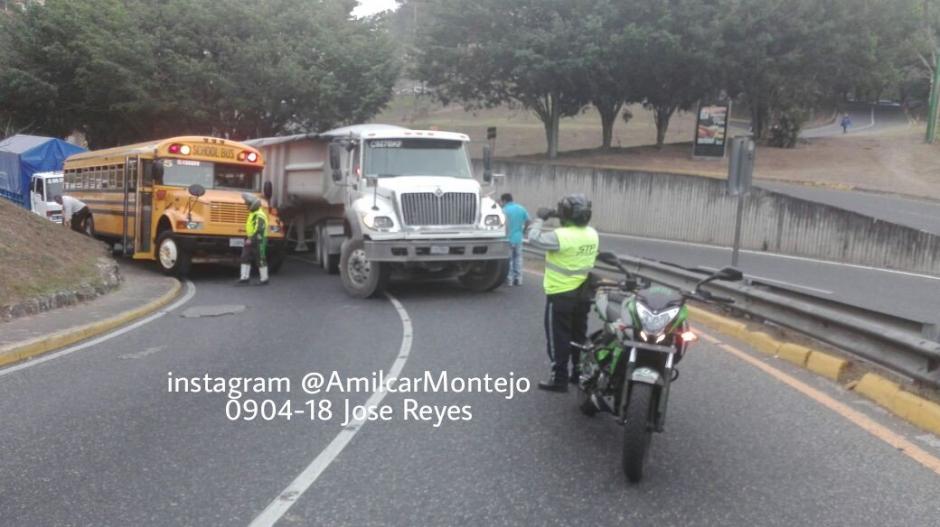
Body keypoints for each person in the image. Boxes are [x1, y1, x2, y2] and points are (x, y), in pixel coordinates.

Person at [528, 193, 599, 392]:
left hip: (560, 294)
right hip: (583, 294)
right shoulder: (592, 234)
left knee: (558, 337)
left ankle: (559, 378)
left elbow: (533, 239)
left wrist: (541, 218)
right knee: (579, 335)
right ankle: (578, 373)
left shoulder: (560, 236)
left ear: (566, 214)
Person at [238, 193, 270, 285]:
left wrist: (251, 239)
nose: (246, 205)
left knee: (260, 258)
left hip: (259, 239)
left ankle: (264, 279)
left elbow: (259, 229)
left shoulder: (259, 215)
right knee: (245, 256)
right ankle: (244, 278)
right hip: (252, 238)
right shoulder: (254, 213)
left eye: (247, 204)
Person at [499, 193, 529, 286]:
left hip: (507, 238)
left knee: (509, 259)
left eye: (501, 201)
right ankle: (518, 279)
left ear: (504, 201)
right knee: (518, 258)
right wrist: (524, 230)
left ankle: (509, 280)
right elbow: (528, 220)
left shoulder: (503, 211)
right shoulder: (521, 208)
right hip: (518, 238)